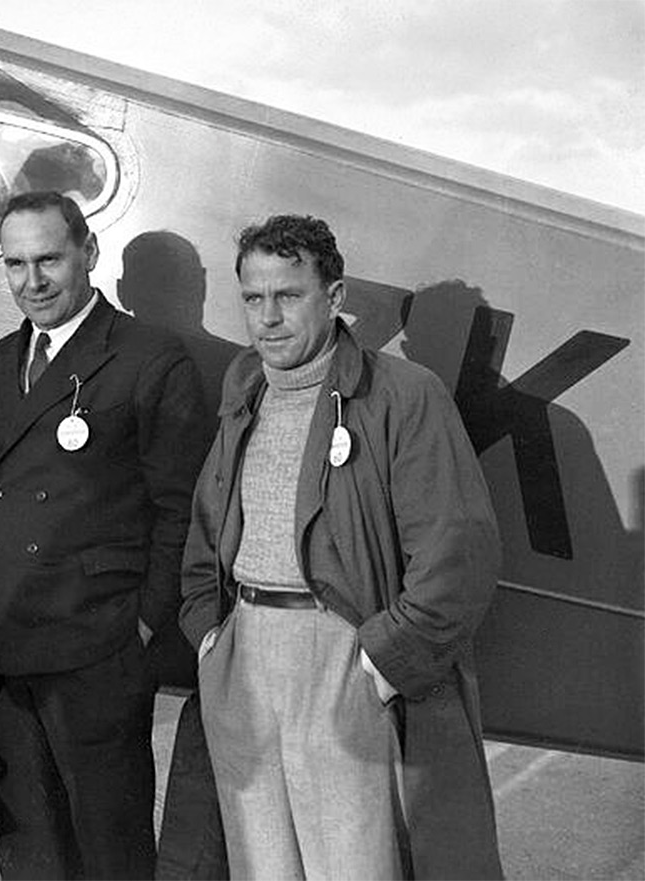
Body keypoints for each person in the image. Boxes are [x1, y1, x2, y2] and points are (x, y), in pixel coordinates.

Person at [181, 214, 503, 879]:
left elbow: (459, 555)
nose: (267, 317)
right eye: (253, 298)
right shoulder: (244, 389)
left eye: (288, 295)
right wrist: (207, 633)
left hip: (343, 659)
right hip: (245, 654)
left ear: (333, 297)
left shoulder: (403, 394)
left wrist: (381, 666)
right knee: (261, 867)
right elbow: (208, 525)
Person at [0, 191, 207, 879]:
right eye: (15, 264)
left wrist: (140, 624)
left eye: (48, 259)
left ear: (89, 255)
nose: (32, 282)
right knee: (32, 850)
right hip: (9, 639)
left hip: (96, 649)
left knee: (111, 848)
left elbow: (181, 508)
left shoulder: (148, 357)